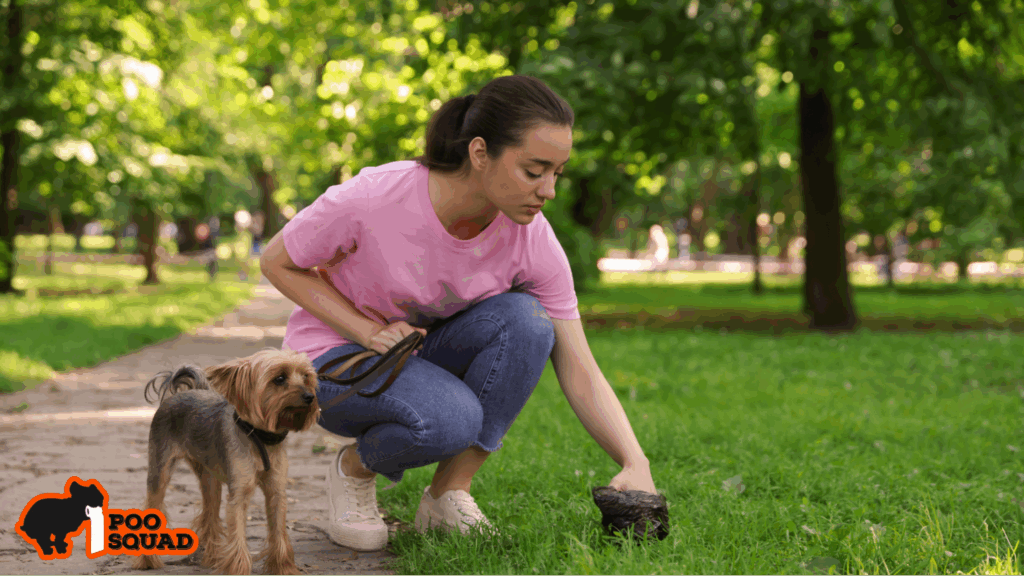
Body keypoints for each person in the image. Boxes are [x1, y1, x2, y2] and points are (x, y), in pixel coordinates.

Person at [259, 75, 658, 552]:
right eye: (534, 171)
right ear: (480, 153)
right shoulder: (377, 197)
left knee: (529, 321)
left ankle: (448, 492)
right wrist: (368, 331)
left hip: (414, 359)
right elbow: (276, 261)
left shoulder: (531, 239)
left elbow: (579, 364)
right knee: (451, 419)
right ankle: (354, 470)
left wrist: (637, 462)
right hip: (332, 363)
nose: (548, 190)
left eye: (558, 173)